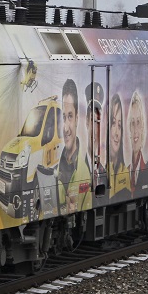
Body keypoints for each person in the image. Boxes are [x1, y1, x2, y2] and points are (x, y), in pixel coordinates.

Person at [56, 78, 91, 214]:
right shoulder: (56, 167)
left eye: (70, 116)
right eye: (64, 117)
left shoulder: (85, 174)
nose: (65, 128)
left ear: (77, 118)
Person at [127, 90, 148, 194]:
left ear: (143, 127)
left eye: (138, 122)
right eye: (132, 123)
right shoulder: (126, 170)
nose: (135, 130)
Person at [106, 93, 130, 201]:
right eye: (113, 123)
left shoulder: (125, 173)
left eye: (119, 126)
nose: (116, 132)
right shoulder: (101, 170)